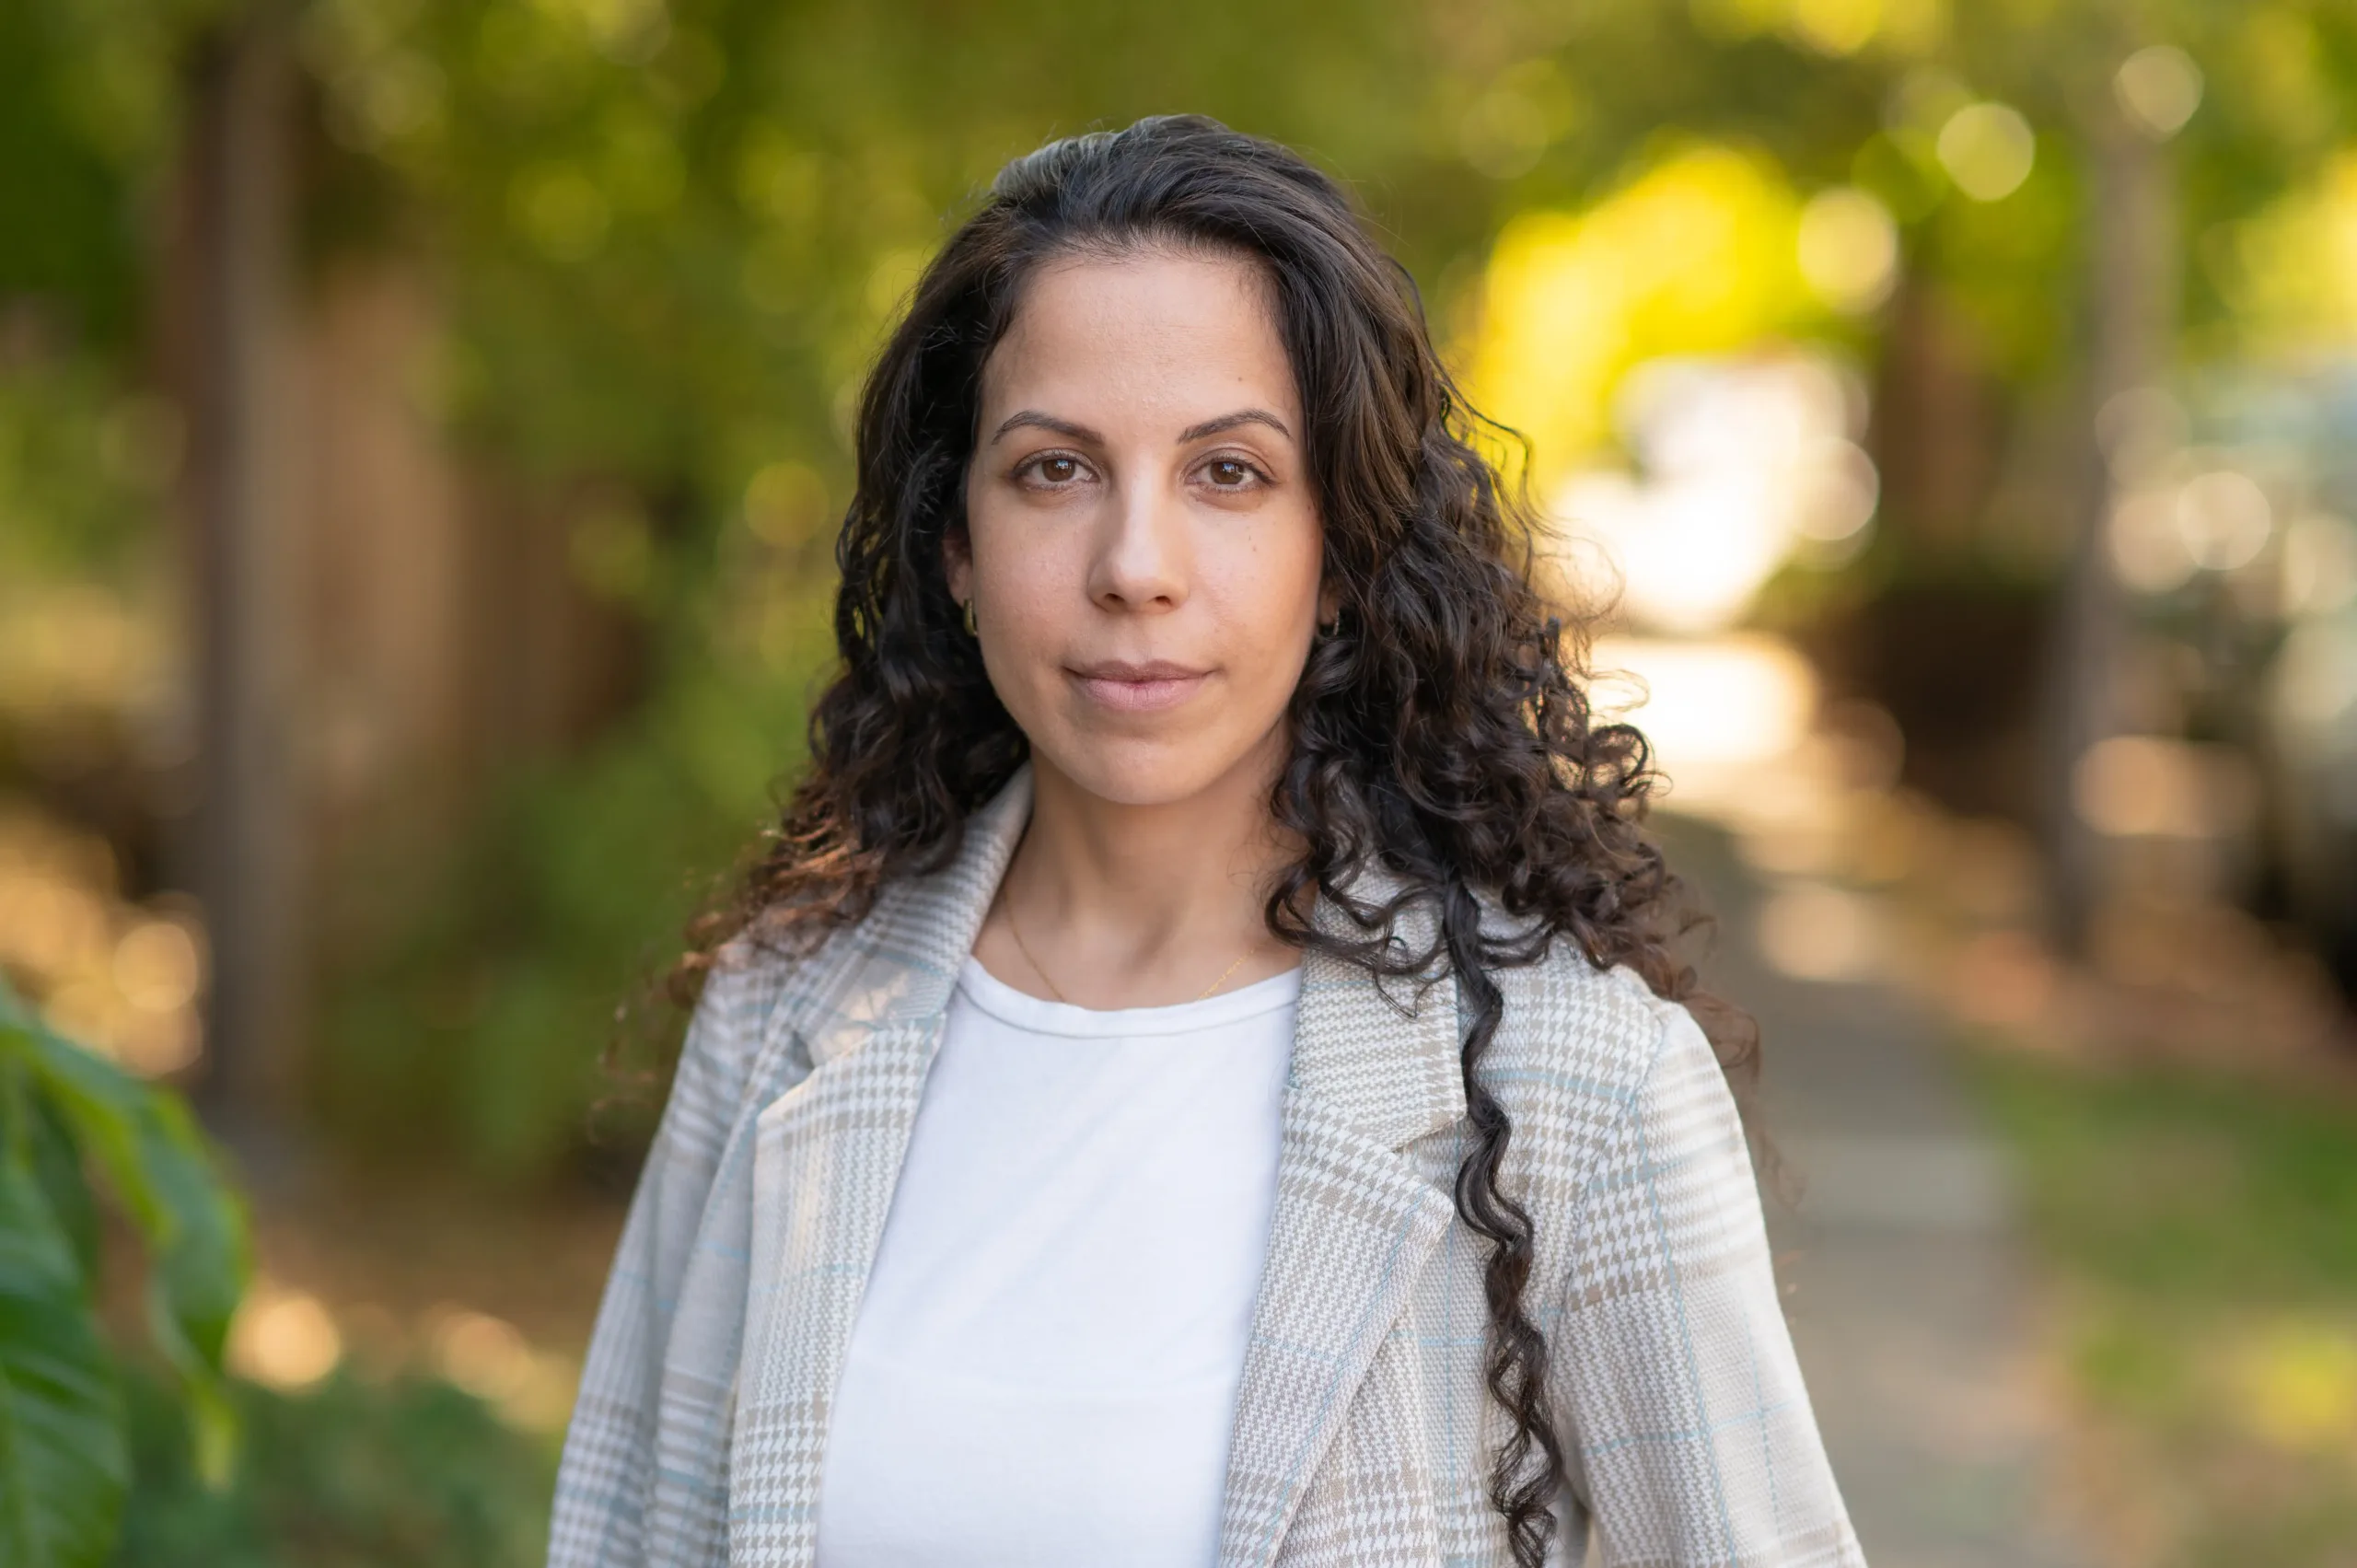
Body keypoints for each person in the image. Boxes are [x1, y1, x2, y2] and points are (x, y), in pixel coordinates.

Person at [547, 113, 1866, 1568]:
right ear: (955, 544)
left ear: (1342, 551)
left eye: (1228, 474)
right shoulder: (781, 1014)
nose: (1136, 567)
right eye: (1056, 470)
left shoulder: (1577, 1086)